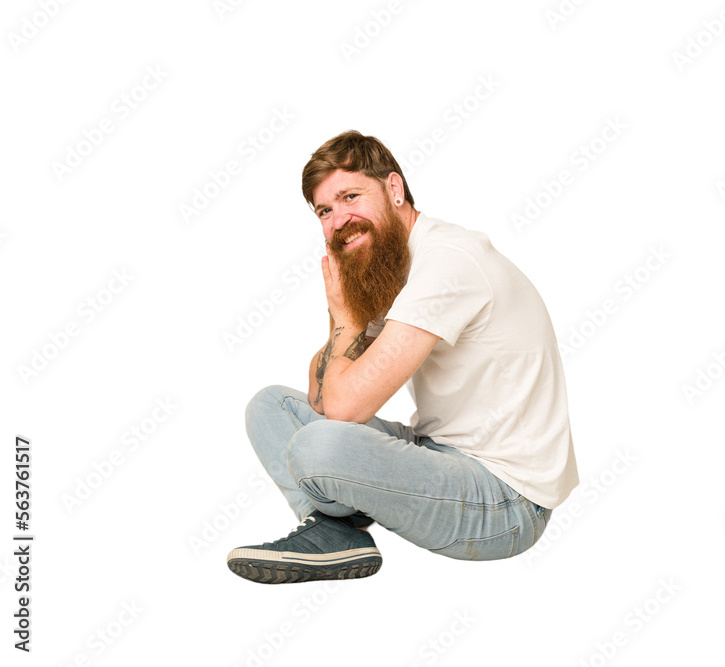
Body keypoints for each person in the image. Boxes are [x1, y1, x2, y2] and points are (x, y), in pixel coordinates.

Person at [226, 130, 578, 584]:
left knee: (318, 446)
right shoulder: (392, 263)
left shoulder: (446, 262)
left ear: (394, 189)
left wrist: (347, 319)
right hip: (440, 453)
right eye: (325, 210)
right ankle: (337, 535)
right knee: (270, 407)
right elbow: (319, 396)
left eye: (350, 196)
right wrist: (346, 320)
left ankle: (333, 528)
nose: (339, 220)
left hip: (506, 500)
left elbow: (344, 408)